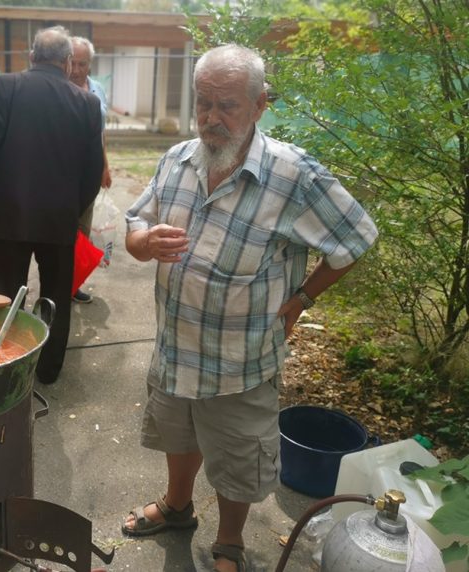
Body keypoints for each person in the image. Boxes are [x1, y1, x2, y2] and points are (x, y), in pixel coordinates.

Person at [121, 44, 378, 572]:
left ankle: (231, 541)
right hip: (175, 347)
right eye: (203, 103)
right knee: (179, 432)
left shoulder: (294, 176)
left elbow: (357, 237)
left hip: (241, 362)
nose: (212, 119)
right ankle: (176, 507)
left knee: (237, 457)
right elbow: (134, 219)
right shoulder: (177, 160)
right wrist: (142, 243)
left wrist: (303, 298)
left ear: (261, 105)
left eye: (228, 106)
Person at [0, 26, 104, 385]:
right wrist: (72, 210)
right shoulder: (87, 103)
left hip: (6, 220)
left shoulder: (6, 87)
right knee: (56, 297)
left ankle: (4, 370)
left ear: (31, 57)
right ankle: (48, 371)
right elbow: (92, 171)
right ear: (68, 62)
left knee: (2, 296)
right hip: (58, 223)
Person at [69, 36, 112, 304]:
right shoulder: (56, 89)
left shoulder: (96, 89)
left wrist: (104, 166)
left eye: (82, 63)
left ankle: (73, 285)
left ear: (90, 65)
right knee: (60, 234)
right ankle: (55, 286)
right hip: (62, 174)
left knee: (82, 233)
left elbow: (101, 133)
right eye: (72, 62)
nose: (76, 69)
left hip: (89, 175)